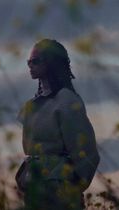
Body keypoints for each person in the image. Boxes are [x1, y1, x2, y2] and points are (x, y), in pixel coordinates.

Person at [15, 39, 100, 210]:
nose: (30, 65)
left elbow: (87, 152)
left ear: (52, 62)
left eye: (36, 61)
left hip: (60, 192)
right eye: (28, 62)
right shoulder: (32, 105)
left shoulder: (67, 100)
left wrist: (72, 186)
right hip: (34, 188)